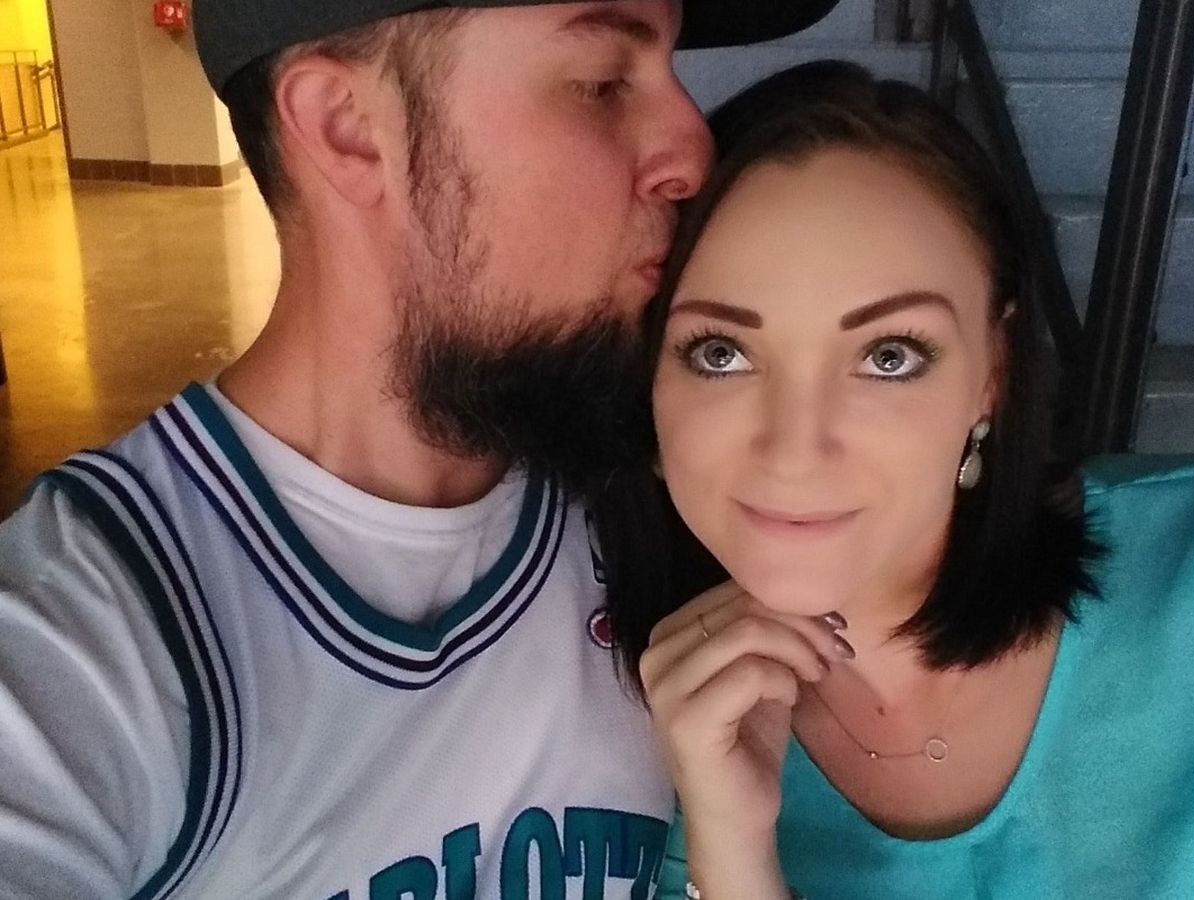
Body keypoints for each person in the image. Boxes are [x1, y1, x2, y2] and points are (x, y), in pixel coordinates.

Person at [0, 3, 840, 897]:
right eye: (602, 84)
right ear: (348, 128)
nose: (691, 151)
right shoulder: (81, 649)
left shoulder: (655, 491)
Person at [596, 61, 1194, 899]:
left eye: (888, 357)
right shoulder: (618, 743)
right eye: (721, 353)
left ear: (992, 374)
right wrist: (731, 853)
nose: (795, 451)